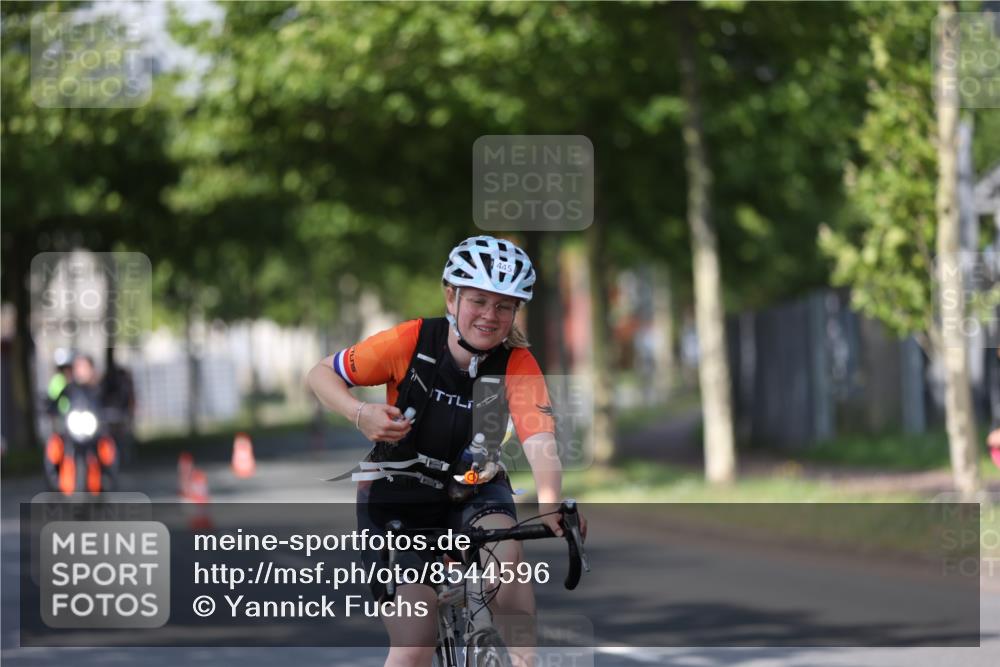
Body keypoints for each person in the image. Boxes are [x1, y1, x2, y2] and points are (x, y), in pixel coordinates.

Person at [308, 235, 584, 667]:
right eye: (479, 301)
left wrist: (550, 501)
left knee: (508, 563)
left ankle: (524, 660)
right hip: (397, 491)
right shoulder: (410, 340)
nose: (490, 316)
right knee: (415, 641)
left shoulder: (516, 361)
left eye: (504, 306)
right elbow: (322, 373)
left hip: (474, 485)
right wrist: (360, 412)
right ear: (451, 296)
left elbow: (539, 435)